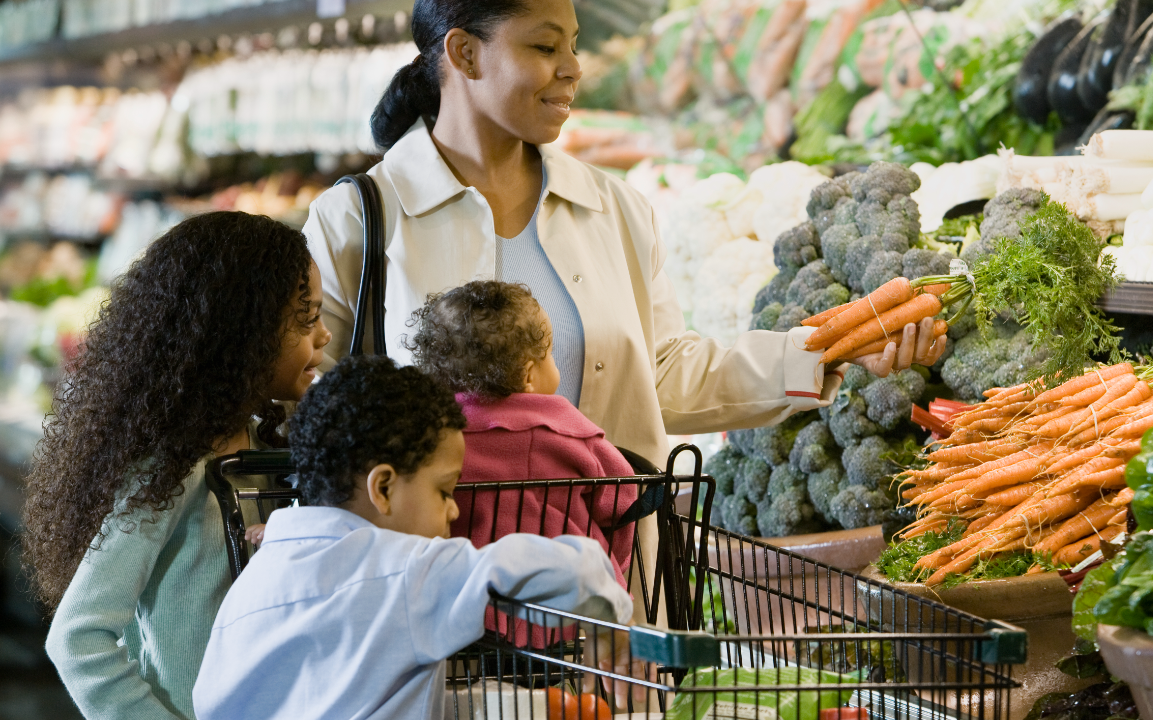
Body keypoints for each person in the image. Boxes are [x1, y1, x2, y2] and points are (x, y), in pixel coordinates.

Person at [303, 0, 945, 472]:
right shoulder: (356, 220)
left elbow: (662, 375)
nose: (573, 69)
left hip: (602, 588)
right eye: (545, 47)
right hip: (436, 603)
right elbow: (312, 412)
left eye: (574, 46)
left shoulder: (611, 207)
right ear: (465, 53)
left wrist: (828, 351)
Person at [191, 355, 634, 720]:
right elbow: (573, 567)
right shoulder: (407, 569)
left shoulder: (255, 582)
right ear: (383, 488)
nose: (455, 509)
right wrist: (606, 615)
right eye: (444, 490)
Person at [22, 212, 332, 720]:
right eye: (305, 317)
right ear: (241, 331)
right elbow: (79, 637)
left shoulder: (266, 447)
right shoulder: (173, 470)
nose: (322, 336)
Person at [410, 280, 637, 581]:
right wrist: (615, 564)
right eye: (551, 354)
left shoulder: (432, 435)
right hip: (570, 595)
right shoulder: (569, 431)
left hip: (468, 590)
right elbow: (622, 497)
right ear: (529, 375)